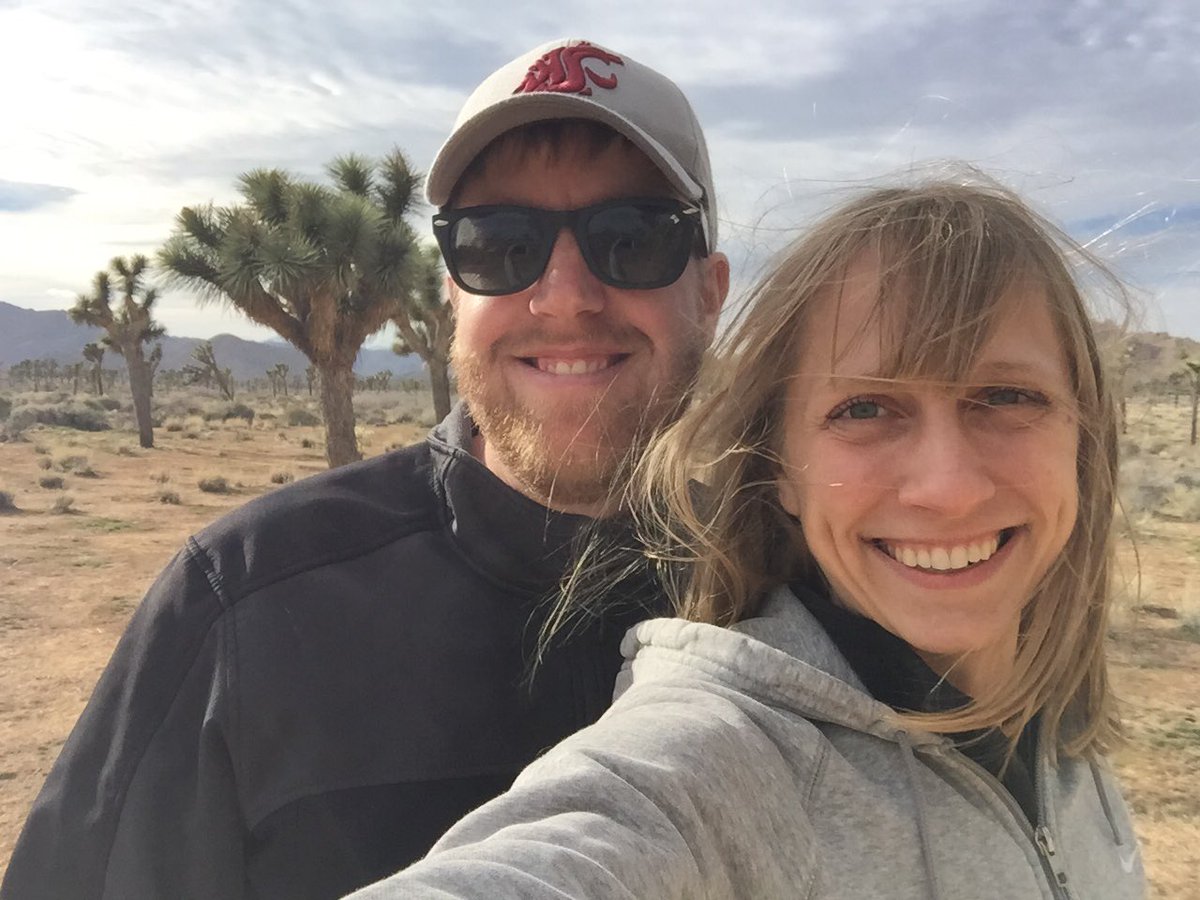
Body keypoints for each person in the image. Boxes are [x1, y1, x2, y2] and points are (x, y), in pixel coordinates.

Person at [0, 38, 728, 900]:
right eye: (499, 243)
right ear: (451, 294)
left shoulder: (801, 589)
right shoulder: (244, 604)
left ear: (711, 291)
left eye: (632, 238)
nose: (565, 294)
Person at [344, 174, 1146, 899]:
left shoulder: (1061, 734)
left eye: (1007, 397)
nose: (948, 487)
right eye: (865, 409)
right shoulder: (719, 767)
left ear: (1083, 436)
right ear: (781, 469)